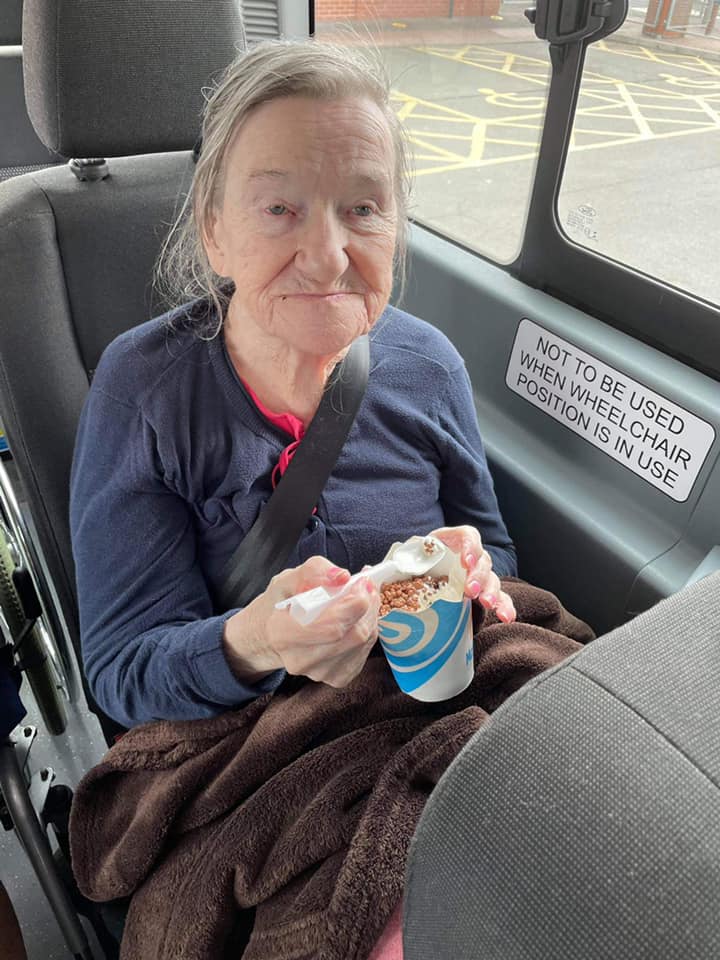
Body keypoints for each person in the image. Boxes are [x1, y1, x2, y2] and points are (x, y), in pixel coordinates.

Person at [69, 38, 518, 732]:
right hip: (257, 741)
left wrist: (468, 576)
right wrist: (255, 643)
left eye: (363, 207)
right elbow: (123, 669)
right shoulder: (144, 391)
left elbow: (499, 558)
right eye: (280, 209)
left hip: (441, 710)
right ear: (214, 232)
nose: (329, 257)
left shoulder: (430, 367)